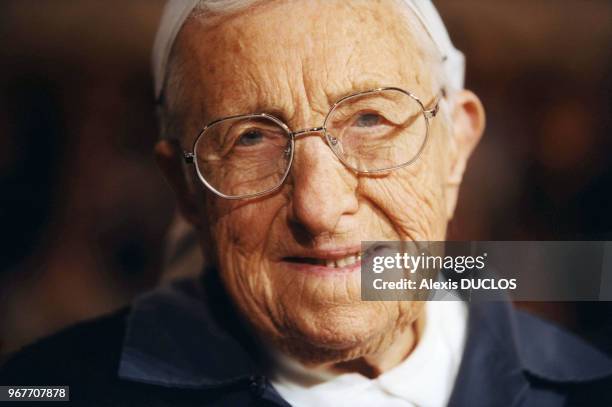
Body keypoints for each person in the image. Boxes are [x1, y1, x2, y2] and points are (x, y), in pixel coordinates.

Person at [1, 1, 611, 406]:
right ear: (184, 187)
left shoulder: (590, 381)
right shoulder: (48, 388)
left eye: (370, 119)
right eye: (252, 138)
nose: (318, 209)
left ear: (457, 148)